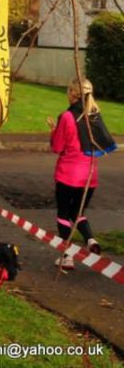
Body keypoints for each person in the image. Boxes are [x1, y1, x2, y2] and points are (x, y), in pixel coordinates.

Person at [47, 78, 116, 270]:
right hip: (89, 176)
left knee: (63, 214)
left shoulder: (68, 116)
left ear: (72, 93)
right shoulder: (94, 116)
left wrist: (53, 132)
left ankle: (67, 256)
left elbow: (57, 146)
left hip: (68, 174)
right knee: (78, 213)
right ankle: (91, 239)